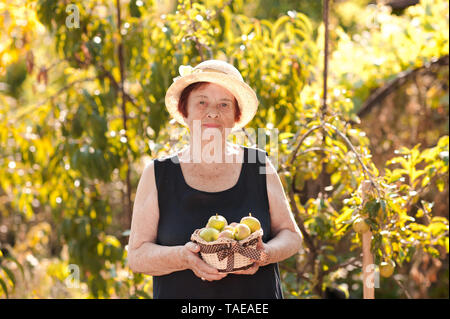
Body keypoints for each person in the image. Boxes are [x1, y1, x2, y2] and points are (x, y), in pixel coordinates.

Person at [127, 59, 303, 299]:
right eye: (202, 102)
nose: (212, 112)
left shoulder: (259, 166)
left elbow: (291, 236)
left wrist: (264, 254)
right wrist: (184, 258)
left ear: (235, 116)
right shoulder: (159, 173)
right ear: (184, 110)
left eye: (224, 104)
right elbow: (137, 257)